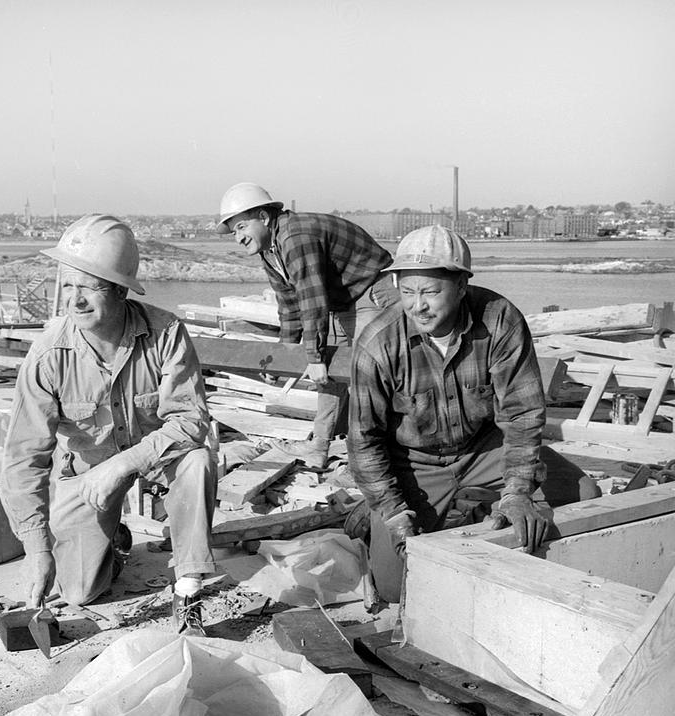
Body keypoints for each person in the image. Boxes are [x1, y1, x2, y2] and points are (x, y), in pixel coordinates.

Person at [347, 225, 600, 602]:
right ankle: (370, 513)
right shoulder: (378, 343)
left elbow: (522, 415)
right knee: (393, 586)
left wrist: (517, 492)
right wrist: (393, 512)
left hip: (485, 450)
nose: (419, 305)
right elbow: (364, 440)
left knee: (585, 494)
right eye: (408, 292)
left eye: (431, 292)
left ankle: (482, 500)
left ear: (461, 286)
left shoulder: (500, 321)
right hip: (413, 463)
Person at [1, 214, 216, 635]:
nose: (74, 300)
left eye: (89, 287)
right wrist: (36, 548)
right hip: (86, 472)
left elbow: (191, 420)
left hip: (155, 460)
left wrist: (121, 466)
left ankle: (188, 590)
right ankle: (113, 541)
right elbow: (23, 457)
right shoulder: (48, 355)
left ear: (120, 289)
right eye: (67, 285)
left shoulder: (164, 333)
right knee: (79, 591)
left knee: (198, 461)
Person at [215, 182, 398, 469]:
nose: (237, 238)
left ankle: (373, 459)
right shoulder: (269, 249)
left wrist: (313, 356)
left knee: (368, 375)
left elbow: (312, 299)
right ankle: (320, 446)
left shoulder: (294, 237)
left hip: (373, 292)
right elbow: (289, 304)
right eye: (234, 232)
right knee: (330, 375)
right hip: (343, 300)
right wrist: (283, 358)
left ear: (264, 218)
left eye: (241, 227)